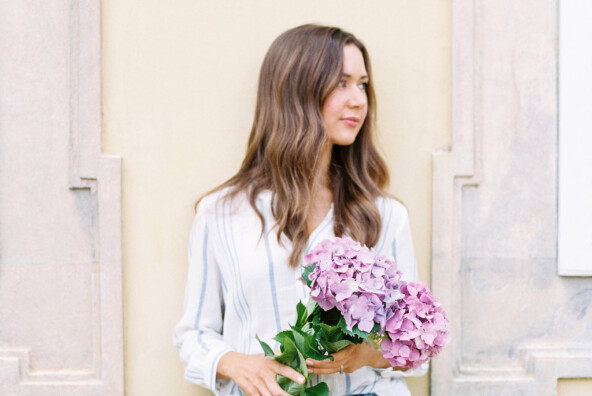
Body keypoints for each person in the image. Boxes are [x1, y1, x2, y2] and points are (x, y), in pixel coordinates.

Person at [173, 24, 427, 396]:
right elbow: (193, 335)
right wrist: (237, 363)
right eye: (341, 83)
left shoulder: (384, 215)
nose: (358, 100)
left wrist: (366, 355)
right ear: (296, 91)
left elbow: (417, 343)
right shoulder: (221, 215)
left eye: (362, 84)